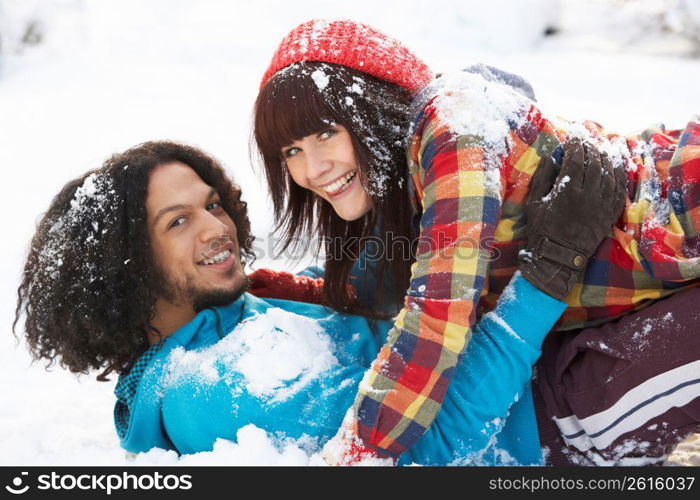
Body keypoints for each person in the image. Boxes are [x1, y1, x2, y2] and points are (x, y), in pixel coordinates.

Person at [14, 141, 698, 465]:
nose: (218, 227)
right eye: (178, 222)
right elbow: (425, 446)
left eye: (212, 204)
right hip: (555, 415)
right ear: (126, 270)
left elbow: (384, 291)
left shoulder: (250, 308)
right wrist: (547, 272)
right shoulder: (212, 388)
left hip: (552, 336)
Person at [253, 19, 700, 463]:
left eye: (326, 133)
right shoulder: (404, 178)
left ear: (370, 107)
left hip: (681, 209)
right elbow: (408, 283)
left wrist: (358, 453)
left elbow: (437, 314)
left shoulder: (454, 129)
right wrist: (302, 292)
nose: (312, 169)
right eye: (291, 151)